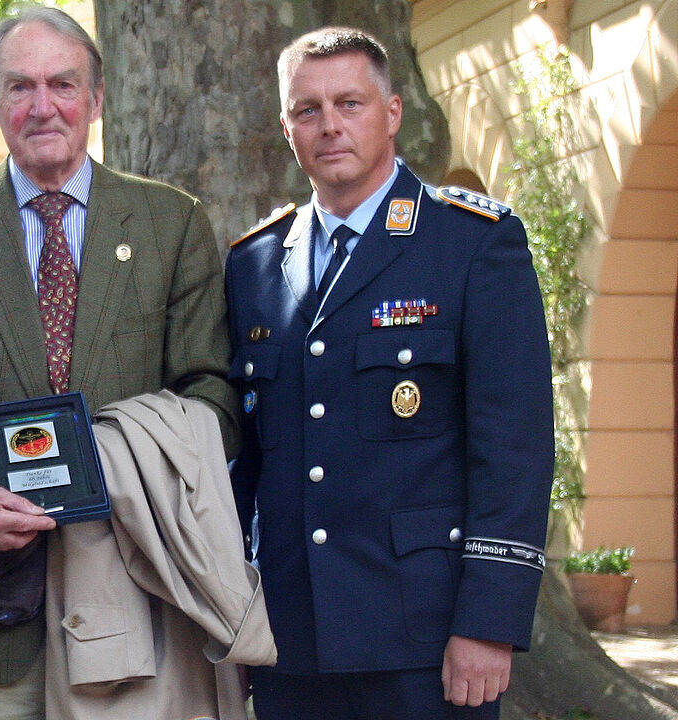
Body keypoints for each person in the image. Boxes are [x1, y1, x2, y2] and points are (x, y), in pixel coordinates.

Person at [0, 6, 246, 719]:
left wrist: (110, 465)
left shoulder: (172, 224)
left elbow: (212, 393)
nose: (43, 106)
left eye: (63, 85)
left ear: (97, 98)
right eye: (19, 87)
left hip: (139, 593)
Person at [224, 27, 555, 719]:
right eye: (307, 110)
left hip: (426, 639)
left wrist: (489, 621)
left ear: (393, 112)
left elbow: (513, 450)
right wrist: (234, 622)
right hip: (291, 637)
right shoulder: (253, 265)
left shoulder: (472, 244)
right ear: (286, 127)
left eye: (350, 103)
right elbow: (242, 465)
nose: (330, 125)